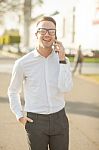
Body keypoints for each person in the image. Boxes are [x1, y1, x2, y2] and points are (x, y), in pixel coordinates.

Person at [8, 16, 73, 150]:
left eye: (51, 31)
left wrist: (61, 60)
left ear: (55, 35)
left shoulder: (63, 59)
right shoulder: (22, 63)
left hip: (59, 118)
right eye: (43, 31)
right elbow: (13, 91)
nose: (47, 34)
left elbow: (65, 88)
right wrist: (19, 115)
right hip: (35, 122)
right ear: (36, 34)